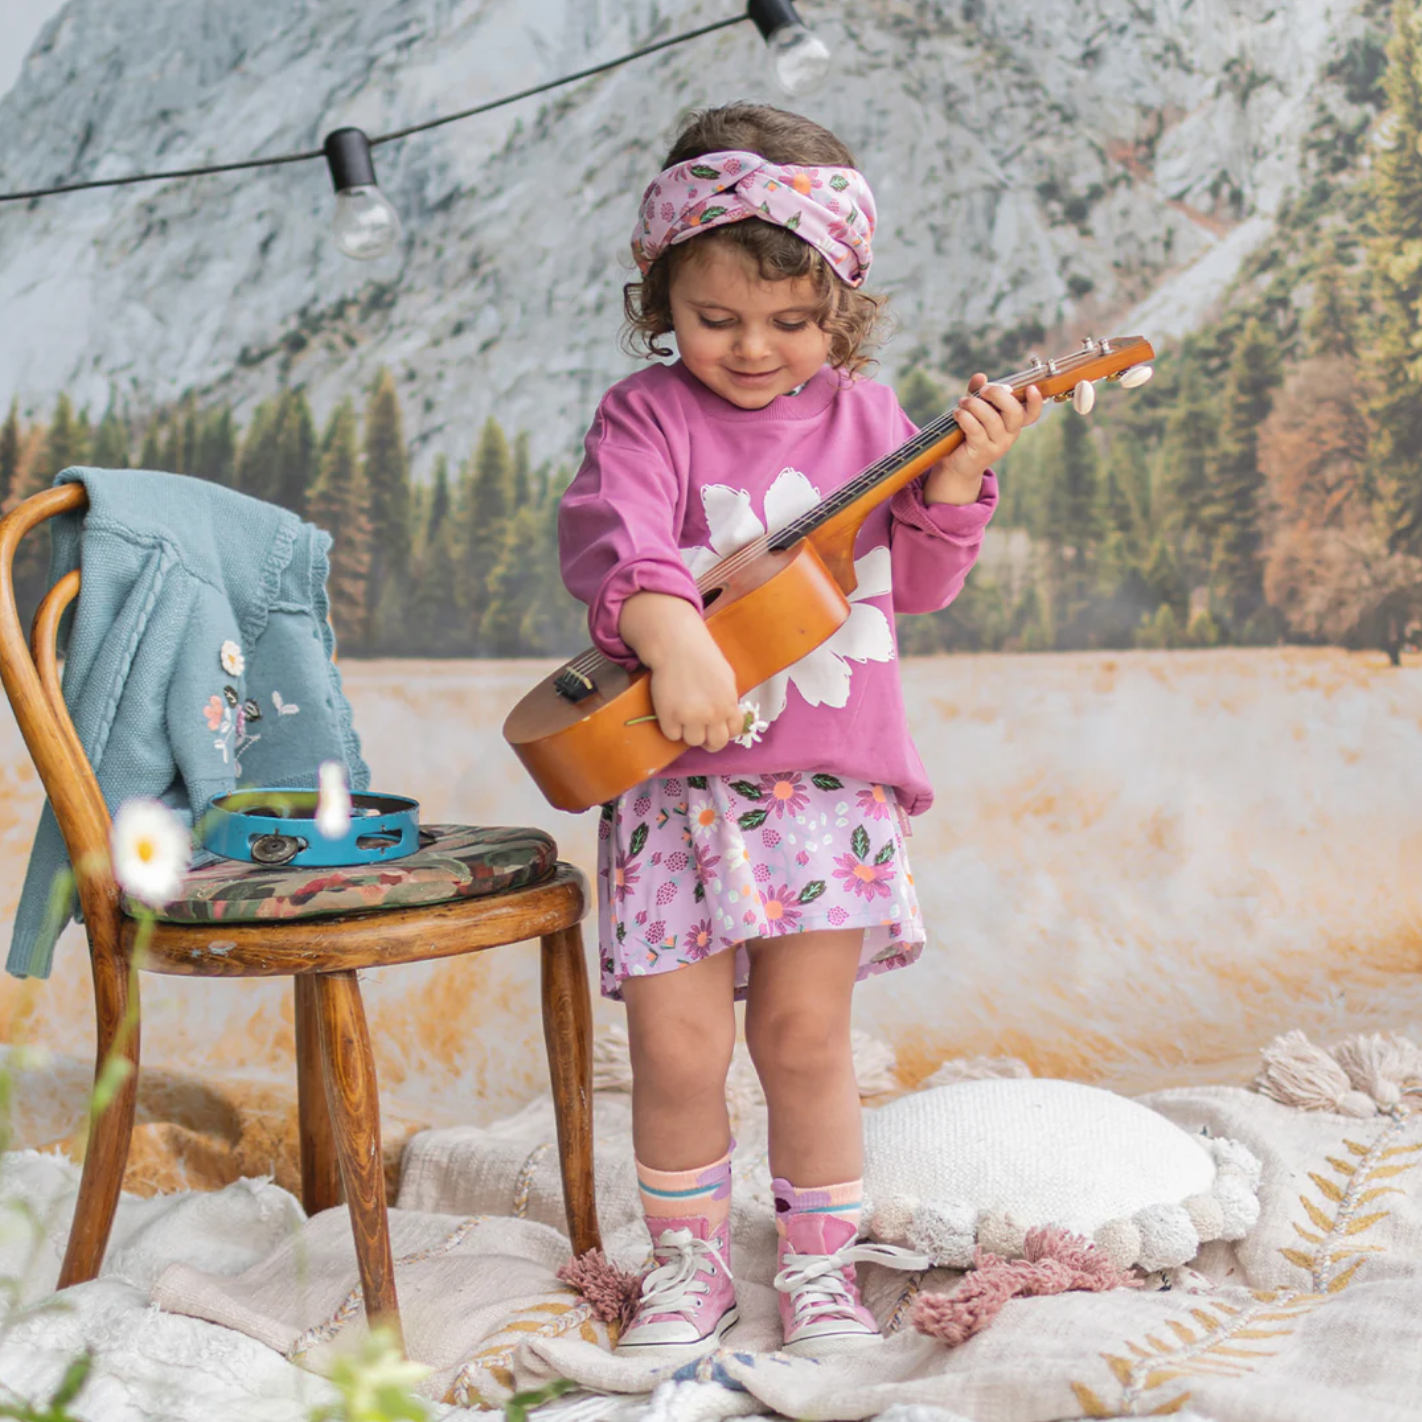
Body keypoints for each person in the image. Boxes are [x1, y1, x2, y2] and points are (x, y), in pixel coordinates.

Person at [558, 102, 1042, 1361]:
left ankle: (821, 1273)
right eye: (716, 319)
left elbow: (923, 587)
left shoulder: (876, 424)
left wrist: (950, 483)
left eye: (791, 322)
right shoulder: (643, 416)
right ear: (662, 297)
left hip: (826, 790)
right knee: (672, 1043)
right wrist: (671, 637)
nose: (754, 349)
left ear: (844, 308)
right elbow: (621, 537)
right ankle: (686, 1269)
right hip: (675, 792)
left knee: (808, 1037)